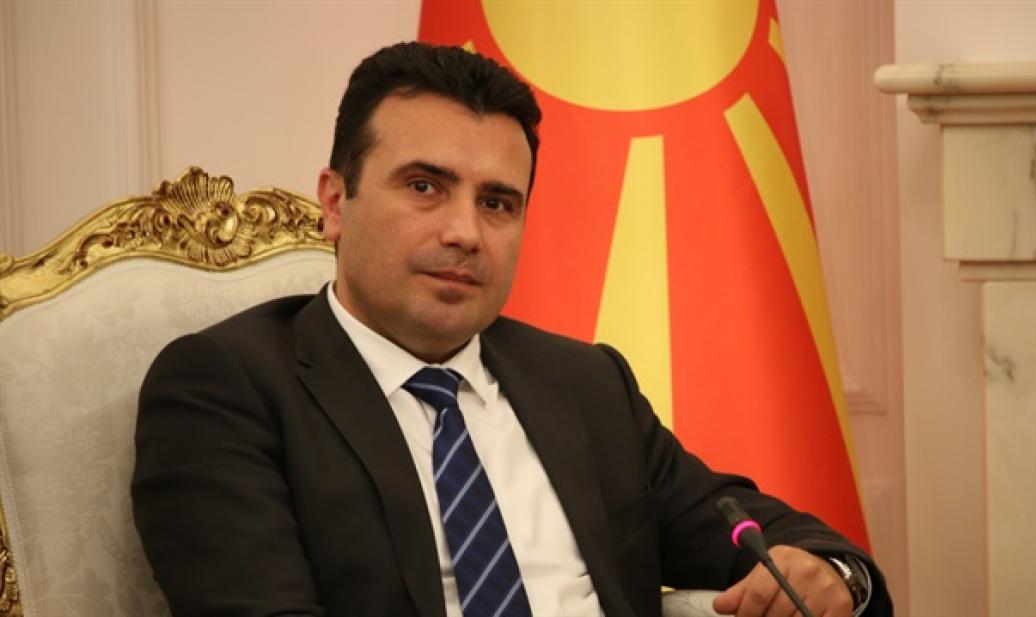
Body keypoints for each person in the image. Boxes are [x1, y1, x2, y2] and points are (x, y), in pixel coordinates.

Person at [132, 42, 891, 617]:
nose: (465, 232)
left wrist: (835, 576)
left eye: (497, 203)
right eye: (424, 186)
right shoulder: (225, 387)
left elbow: (769, 535)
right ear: (335, 202)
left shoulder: (584, 383)